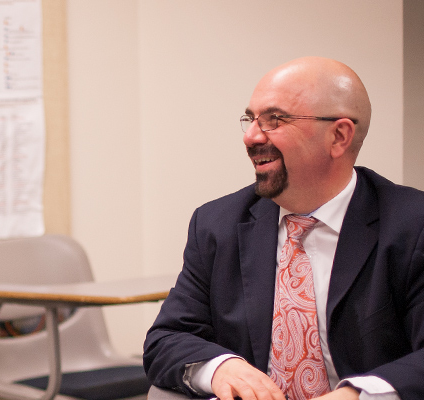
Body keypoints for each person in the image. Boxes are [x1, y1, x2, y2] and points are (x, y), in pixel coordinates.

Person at [143, 57, 424, 400]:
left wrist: (359, 395)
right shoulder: (218, 224)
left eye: (274, 119)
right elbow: (166, 339)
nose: (250, 136)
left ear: (339, 136)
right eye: (250, 119)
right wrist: (221, 367)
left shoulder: (412, 225)